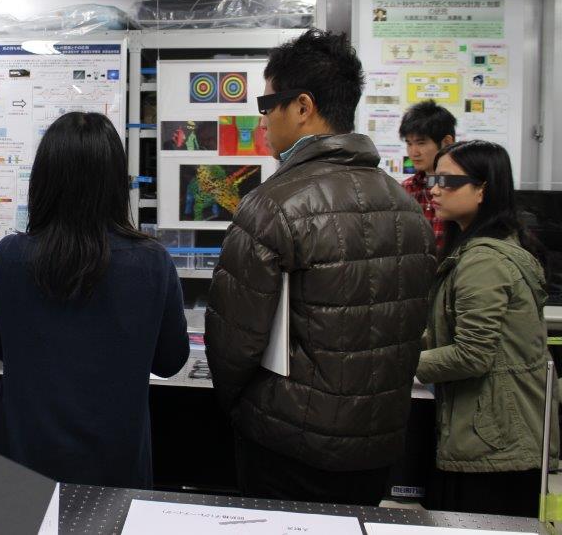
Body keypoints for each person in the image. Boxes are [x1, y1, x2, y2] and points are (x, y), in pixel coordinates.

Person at [205, 29, 436, 506]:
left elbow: (232, 345)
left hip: (288, 446)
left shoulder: (272, 206)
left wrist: (243, 411)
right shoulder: (405, 207)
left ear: (302, 106)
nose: (263, 119)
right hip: (377, 447)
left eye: (267, 104)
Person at [0, 111, 189, 489]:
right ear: (116, 183)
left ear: (43, 179)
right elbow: (170, 360)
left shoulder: (8, 256)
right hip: (115, 471)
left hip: (21, 466)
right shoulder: (151, 262)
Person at [417, 140, 558, 517]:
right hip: (492, 434)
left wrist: (401, 364)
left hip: (495, 443)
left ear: (483, 189)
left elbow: (473, 354)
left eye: (448, 180)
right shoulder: (481, 249)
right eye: (433, 179)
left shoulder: (484, 261)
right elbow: (454, 332)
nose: (435, 190)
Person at [399, 100, 457, 250]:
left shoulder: (461, 188)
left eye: (421, 143)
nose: (414, 152)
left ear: (446, 142)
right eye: (409, 143)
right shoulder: (405, 190)